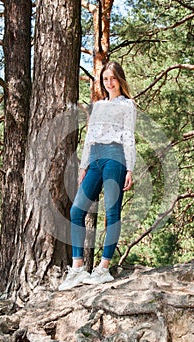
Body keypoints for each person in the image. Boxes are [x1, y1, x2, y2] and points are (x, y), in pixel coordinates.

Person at [58, 61, 136, 291]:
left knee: (112, 212)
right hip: (95, 159)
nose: (109, 83)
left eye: (112, 78)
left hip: (115, 157)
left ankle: (103, 269)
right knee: (76, 210)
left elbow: (129, 136)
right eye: (105, 79)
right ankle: (78, 268)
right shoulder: (99, 106)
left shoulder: (127, 105)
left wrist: (129, 168)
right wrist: (83, 166)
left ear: (119, 79)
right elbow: (90, 137)